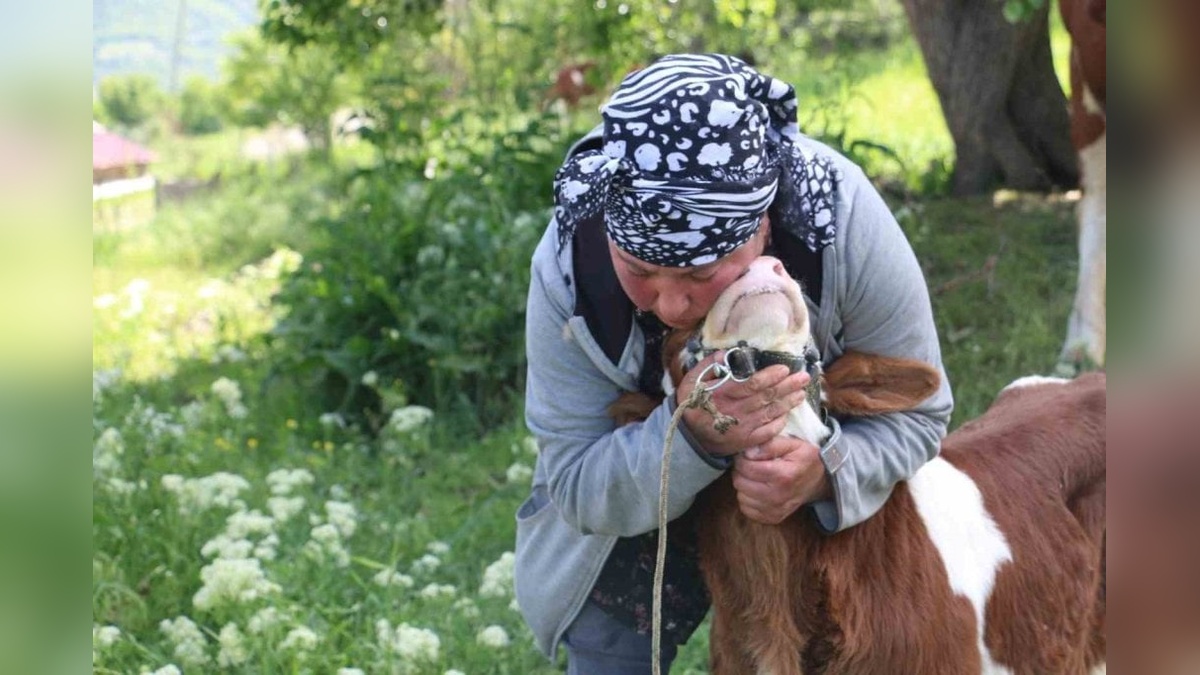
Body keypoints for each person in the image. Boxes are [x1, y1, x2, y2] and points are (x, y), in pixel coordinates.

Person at [514, 53, 953, 674]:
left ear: (763, 228)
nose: (671, 304)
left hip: (810, 488)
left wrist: (826, 473)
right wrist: (692, 436)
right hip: (638, 478)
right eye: (639, 270)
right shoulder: (570, 268)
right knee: (608, 634)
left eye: (700, 274)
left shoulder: (841, 218)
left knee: (867, 634)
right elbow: (575, 482)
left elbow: (921, 416)